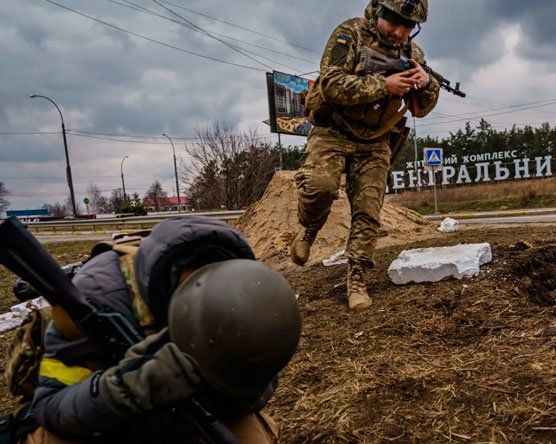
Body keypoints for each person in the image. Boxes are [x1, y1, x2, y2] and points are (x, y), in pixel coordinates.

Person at [20, 215, 301, 443]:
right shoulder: (98, 296)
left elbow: (257, 389)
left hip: (182, 408)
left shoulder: (252, 299)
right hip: (107, 412)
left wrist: (218, 392)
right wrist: (133, 384)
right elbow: (50, 405)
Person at [291, 0, 440, 310]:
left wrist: (427, 84)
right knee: (319, 187)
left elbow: (422, 109)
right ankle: (309, 227)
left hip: (375, 140)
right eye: (393, 22)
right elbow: (331, 84)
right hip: (333, 131)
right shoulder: (350, 34)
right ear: (379, 11)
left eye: (407, 26)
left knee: (369, 210)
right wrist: (383, 86)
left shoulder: (413, 54)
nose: (399, 32)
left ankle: (357, 278)